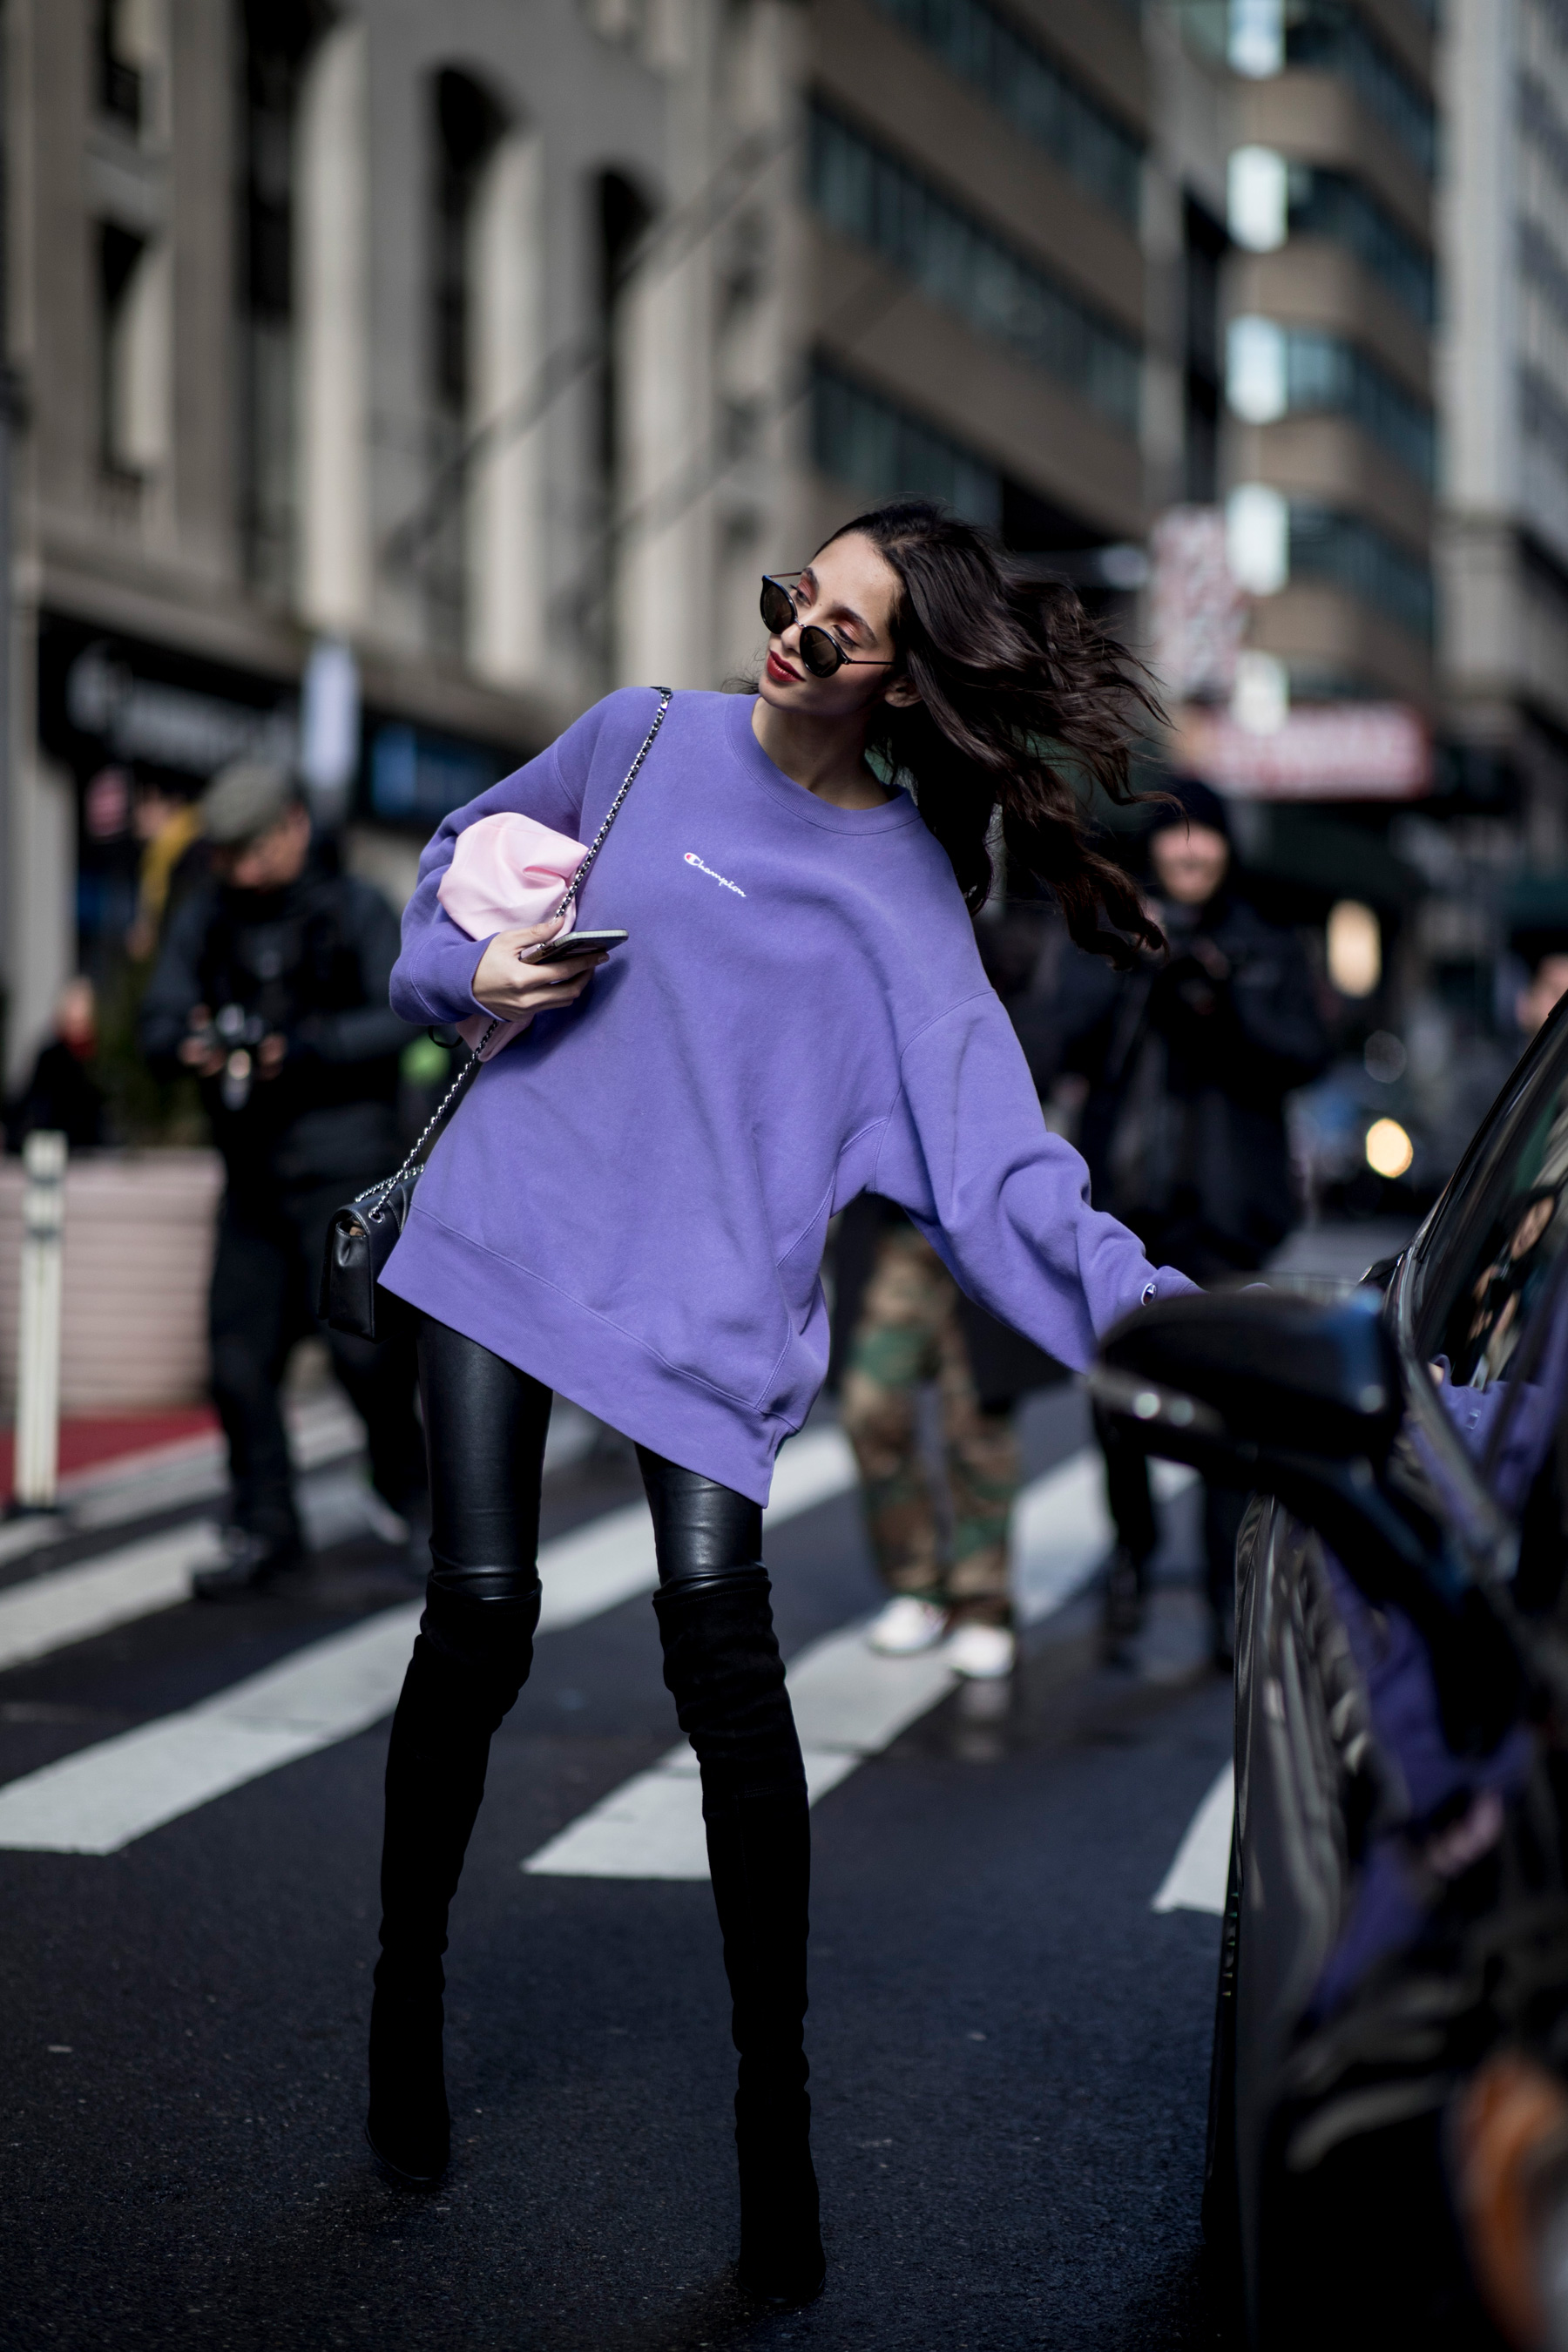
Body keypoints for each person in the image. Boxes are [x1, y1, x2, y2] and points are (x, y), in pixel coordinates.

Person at [366, 499, 1196, 2306]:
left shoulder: (902, 896)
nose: (792, 639)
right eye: (789, 599)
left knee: (725, 1668)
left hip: (703, 1312)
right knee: (482, 1613)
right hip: (505, 1232)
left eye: (838, 632)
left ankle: (775, 2125)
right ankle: (403, 2003)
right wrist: (467, 970)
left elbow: (999, 1178)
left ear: (901, 682)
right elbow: (447, 871)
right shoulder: (636, 735)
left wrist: (1179, 1328)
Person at [1044, 774, 1331, 1665]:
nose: (1189, 850)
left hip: (1225, 1219)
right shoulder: (1114, 931)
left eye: (1204, 833)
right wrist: (1136, 962)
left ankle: (1224, 1603)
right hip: (1126, 1215)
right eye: (1173, 835)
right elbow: (1060, 1040)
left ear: (1228, 845)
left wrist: (1226, 991)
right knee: (1116, 1404)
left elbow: (1304, 1053)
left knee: (1225, 1415)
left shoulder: (1266, 940)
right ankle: (1132, 1551)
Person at [139, 760, 425, 1598]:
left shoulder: (354, 906)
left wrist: (305, 1047)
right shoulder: (206, 917)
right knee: (237, 1360)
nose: (239, 869)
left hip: (346, 1172)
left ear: (294, 825)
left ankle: (415, 1502)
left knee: (366, 1359)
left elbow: (404, 1015)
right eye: (224, 854)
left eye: (252, 849)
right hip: (254, 1176)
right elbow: (157, 1020)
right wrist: (188, 1045)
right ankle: (265, 1526)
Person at [3, 977, 106, 1153]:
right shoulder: (51, 1057)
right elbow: (32, 1101)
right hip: (54, 1148)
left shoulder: (100, 1058)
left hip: (93, 1151)